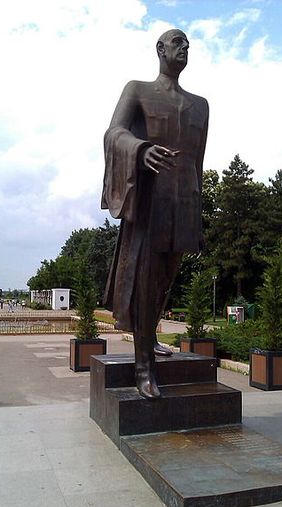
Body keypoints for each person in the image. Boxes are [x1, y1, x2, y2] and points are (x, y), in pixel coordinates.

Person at [101, 29, 209, 399]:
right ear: (160, 49)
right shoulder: (138, 90)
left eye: (188, 45)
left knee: (165, 277)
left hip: (184, 200)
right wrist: (140, 149)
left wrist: (198, 203)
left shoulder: (200, 105)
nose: (185, 49)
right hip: (151, 201)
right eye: (178, 43)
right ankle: (143, 366)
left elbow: (200, 158)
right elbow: (113, 133)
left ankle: (152, 337)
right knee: (145, 279)